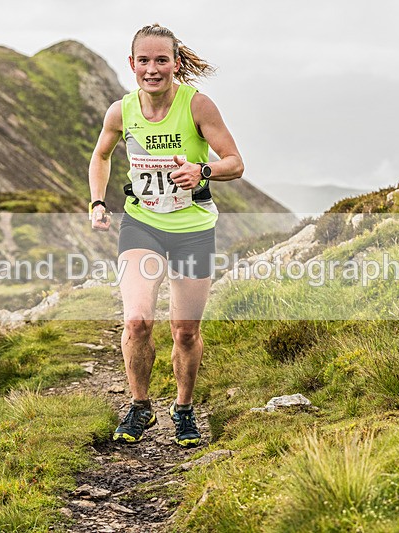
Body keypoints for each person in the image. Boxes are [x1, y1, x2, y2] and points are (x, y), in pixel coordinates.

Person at [88, 23, 244, 447]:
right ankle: (140, 407)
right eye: (144, 61)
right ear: (131, 64)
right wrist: (98, 202)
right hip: (142, 225)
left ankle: (184, 409)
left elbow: (235, 162)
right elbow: (101, 155)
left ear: (175, 63)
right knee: (137, 321)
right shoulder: (121, 111)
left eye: (161, 60)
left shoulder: (198, 106)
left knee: (185, 330)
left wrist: (202, 171)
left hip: (193, 230)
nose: (152, 69)